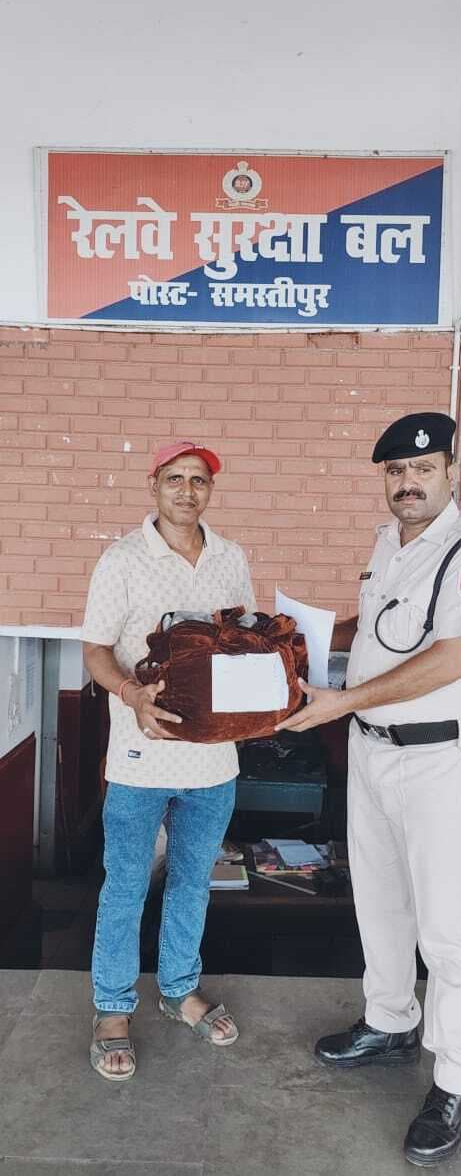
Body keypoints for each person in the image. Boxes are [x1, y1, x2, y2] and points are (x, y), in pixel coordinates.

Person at [277, 413, 461, 1166]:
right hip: (371, 750)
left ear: (451, 472)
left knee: (445, 926)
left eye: (423, 469)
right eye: (395, 472)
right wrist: (293, 641)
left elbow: (451, 658)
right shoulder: (391, 542)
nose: (408, 483)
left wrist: (342, 701)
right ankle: (389, 1022)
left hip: (434, 758)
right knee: (378, 900)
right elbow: (381, 631)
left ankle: (455, 1077)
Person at [81, 441, 256, 1081]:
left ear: (210, 490)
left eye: (199, 480)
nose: (188, 490)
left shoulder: (231, 557)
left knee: (191, 881)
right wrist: (131, 694)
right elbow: (96, 651)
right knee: (126, 884)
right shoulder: (122, 559)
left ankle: (179, 988)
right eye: (175, 478)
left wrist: (260, 704)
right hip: (140, 757)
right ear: (153, 485)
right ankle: (112, 1007)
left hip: (212, 761)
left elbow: (244, 643)